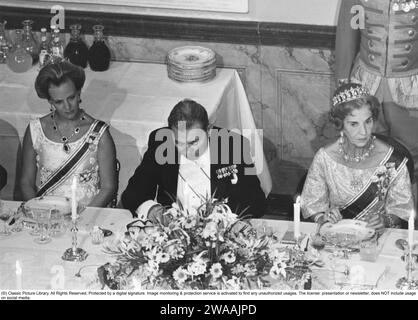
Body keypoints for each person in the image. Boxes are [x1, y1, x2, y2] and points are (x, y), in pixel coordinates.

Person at [121, 98, 266, 221]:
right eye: (178, 142)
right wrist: (154, 211)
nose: (186, 151)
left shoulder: (232, 144)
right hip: (172, 233)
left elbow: (257, 203)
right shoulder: (161, 143)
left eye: (193, 142)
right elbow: (132, 194)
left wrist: (223, 215)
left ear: (208, 130)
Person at [301, 83, 414, 230]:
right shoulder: (325, 158)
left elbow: (402, 208)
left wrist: (386, 220)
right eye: (354, 124)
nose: (364, 132)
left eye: (368, 121)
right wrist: (323, 217)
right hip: (338, 237)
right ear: (340, 124)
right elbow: (312, 204)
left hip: (378, 238)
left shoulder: (392, 159)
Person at [335, 0, 418, 187]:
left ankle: (408, 214)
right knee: (365, 155)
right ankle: (368, 213)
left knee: (411, 160)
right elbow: (347, 34)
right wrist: (343, 83)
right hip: (365, 86)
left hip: (411, 89)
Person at [20, 60, 117, 208]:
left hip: (87, 216)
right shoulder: (35, 130)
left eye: (71, 98)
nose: (67, 107)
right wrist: (38, 212)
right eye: (59, 102)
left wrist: (82, 218)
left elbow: (108, 188)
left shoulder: (100, 134)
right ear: (50, 101)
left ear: (78, 94)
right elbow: (26, 183)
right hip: (47, 216)